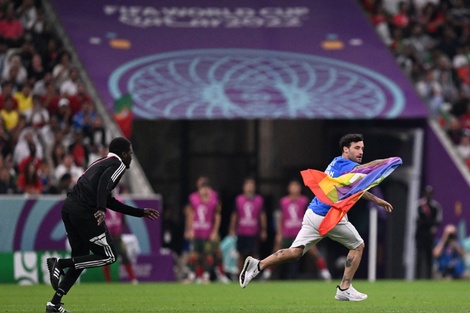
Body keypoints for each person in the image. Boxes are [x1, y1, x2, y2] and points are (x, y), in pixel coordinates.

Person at [239, 133, 394, 302]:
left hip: (313, 212)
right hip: (328, 215)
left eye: (362, 148)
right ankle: (344, 288)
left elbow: (356, 188)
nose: (361, 151)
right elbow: (362, 171)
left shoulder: (336, 161)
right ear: (345, 149)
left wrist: (377, 200)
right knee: (358, 246)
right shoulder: (346, 165)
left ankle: (258, 265)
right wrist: (382, 162)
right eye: (357, 148)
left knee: (295, 252)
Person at [44, 137, 160, 313]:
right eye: (130, 152)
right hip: (84, 211)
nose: (131, 156)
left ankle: (54, 303)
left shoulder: (101, 162)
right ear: (123, 153)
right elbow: (103, 185)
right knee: (110, 256)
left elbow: (109, 200)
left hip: (69, 209)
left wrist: (139, 212)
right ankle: (60, 264)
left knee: (81, 258)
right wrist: (100, 209)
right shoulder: (118, 163)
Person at [274, 179, 331, 281]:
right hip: (287, 232)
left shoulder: (304, 201)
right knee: (277, 250)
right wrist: (279, 233)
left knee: (313, 251)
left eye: (296, 186)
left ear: (300, 188)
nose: (294, 188)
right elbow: (281, 218)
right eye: (292, 186)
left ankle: (325, 272)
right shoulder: (284, 201)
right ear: (288, 188)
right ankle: (267, 273)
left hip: (302, 232)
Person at [184, 178, 221, 283]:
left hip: (208, 233)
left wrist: (214, 232)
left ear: (209, 190)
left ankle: (206, 276)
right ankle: (191, 276)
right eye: (202, 188)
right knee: (194, 254)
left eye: (206, 189)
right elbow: (190, 215)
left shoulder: (214, 202)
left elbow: (217, 217)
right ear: (199, 190)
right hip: (197, 232)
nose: (204, 191)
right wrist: (189, 229)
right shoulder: (194, 201)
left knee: (208, 254)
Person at [229, 177, 267, 274]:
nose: (249, 187)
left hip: (253, 231)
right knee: (240, 254)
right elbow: (235, 215)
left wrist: (263, 230)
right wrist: (232, 229)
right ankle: (239, 274)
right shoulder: (239, 200)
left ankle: (253, 274)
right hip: (242, 231)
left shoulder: (259, 200)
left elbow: (262, 215)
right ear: (243, 187)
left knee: (254, 254)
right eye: (248, 185)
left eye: (251, 185)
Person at [415, 185, 442, 279]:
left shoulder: (435, 206)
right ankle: (417, 277)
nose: (428, 195)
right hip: (420, 234)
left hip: (429, 234)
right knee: (419, 256)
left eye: (430, 194)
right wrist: (428, 222)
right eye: (427, 193)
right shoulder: (419, 205)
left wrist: (428, 223)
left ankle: (429, 277)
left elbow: (438, 221)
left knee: (429, 256)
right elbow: (417, 220)